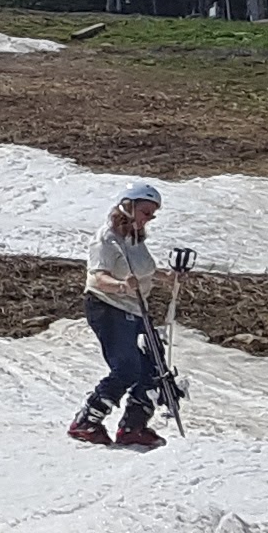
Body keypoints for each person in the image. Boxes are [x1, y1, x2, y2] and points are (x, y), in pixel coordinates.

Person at [70, 181, 178, 449]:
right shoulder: (106, 239)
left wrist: (166, 276)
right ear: (127, 206)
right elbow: (98, 277)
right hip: (107, 307)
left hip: (135, 308)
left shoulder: (134, 238)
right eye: (145, 212)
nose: (148, 219)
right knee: (127, 367)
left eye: (152, 214)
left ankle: (134, 426)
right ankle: (87, 421)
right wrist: (121, 286)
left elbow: (142, 271)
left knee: (154, 366)